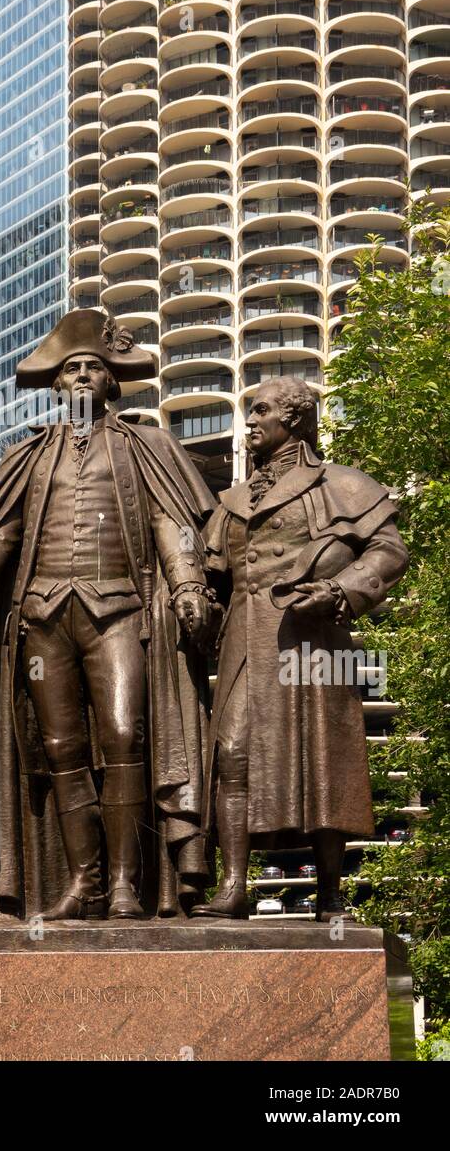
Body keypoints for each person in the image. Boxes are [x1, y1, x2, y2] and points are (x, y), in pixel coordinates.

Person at [0, 310, 217, 921]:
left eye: (94, 368)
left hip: (118, 611)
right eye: (72, 368)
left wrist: (186, 585)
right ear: (57, 385)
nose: (83, 376)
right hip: (42, 617)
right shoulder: (30, 456)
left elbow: (171, 523)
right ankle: (86, 881)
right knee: (60, 749)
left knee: (125, 736)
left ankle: (130, 882)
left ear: (112, 382)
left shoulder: (145, 446)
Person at [194, 378, 409, 922]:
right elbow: (212, 573)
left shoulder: (341, 484)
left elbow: (388, 549)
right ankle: (235, 885)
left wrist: (341, 590)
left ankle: (330, 893)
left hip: (309, 639)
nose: (250, 422)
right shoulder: (231, 501)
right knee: (232, 752)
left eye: (260, 410)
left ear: (294, 418)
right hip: (244, 640)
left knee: (322, 760)